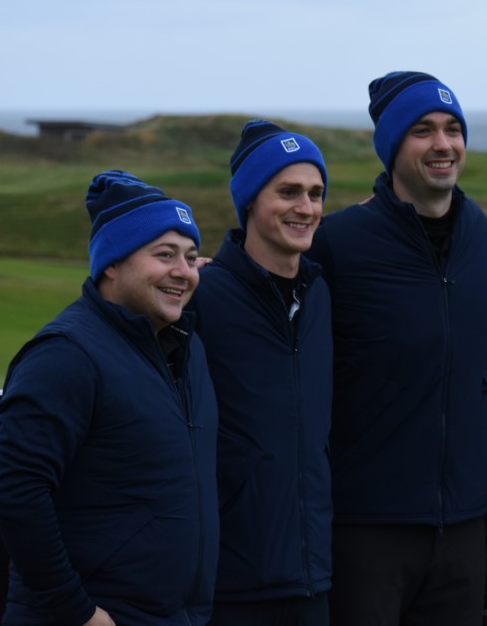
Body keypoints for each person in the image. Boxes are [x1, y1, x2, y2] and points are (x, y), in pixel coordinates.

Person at [0, 170, 218, 626]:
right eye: (164, 254)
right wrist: (78, 612)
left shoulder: (185, 350)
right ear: (112, 263)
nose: (183, 271)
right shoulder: (65, 354)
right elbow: (16, 492)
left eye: (191, 258)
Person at [308, 71, 487, 626]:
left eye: (453, 128)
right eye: (422, 130)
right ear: (392, 147)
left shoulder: (475, 228)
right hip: (368, 527)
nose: (443, 144)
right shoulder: (338, 242)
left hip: (463, 524)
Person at [192, 120, 333, 626]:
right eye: (288, 192)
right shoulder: (201, 297)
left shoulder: (319, 296)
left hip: (313, 576)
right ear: (251, 199)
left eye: (316, 193)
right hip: (231, 581)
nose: (307, 207)